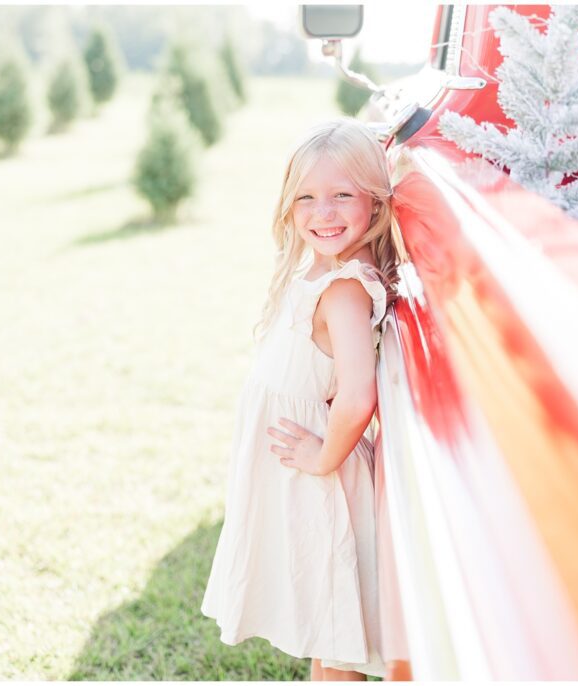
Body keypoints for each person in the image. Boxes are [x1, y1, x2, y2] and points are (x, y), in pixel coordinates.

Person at [201, 118, 403, 681]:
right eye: (307, 198)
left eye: (343, 195)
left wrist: (322, 457)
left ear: (374, 202)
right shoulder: (317, 272)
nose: (325, 212)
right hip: (303, 484)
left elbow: (359, 392)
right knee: (327, 636)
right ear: (288, 206)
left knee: (337, 640)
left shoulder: (342, 290)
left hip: (324, 485)